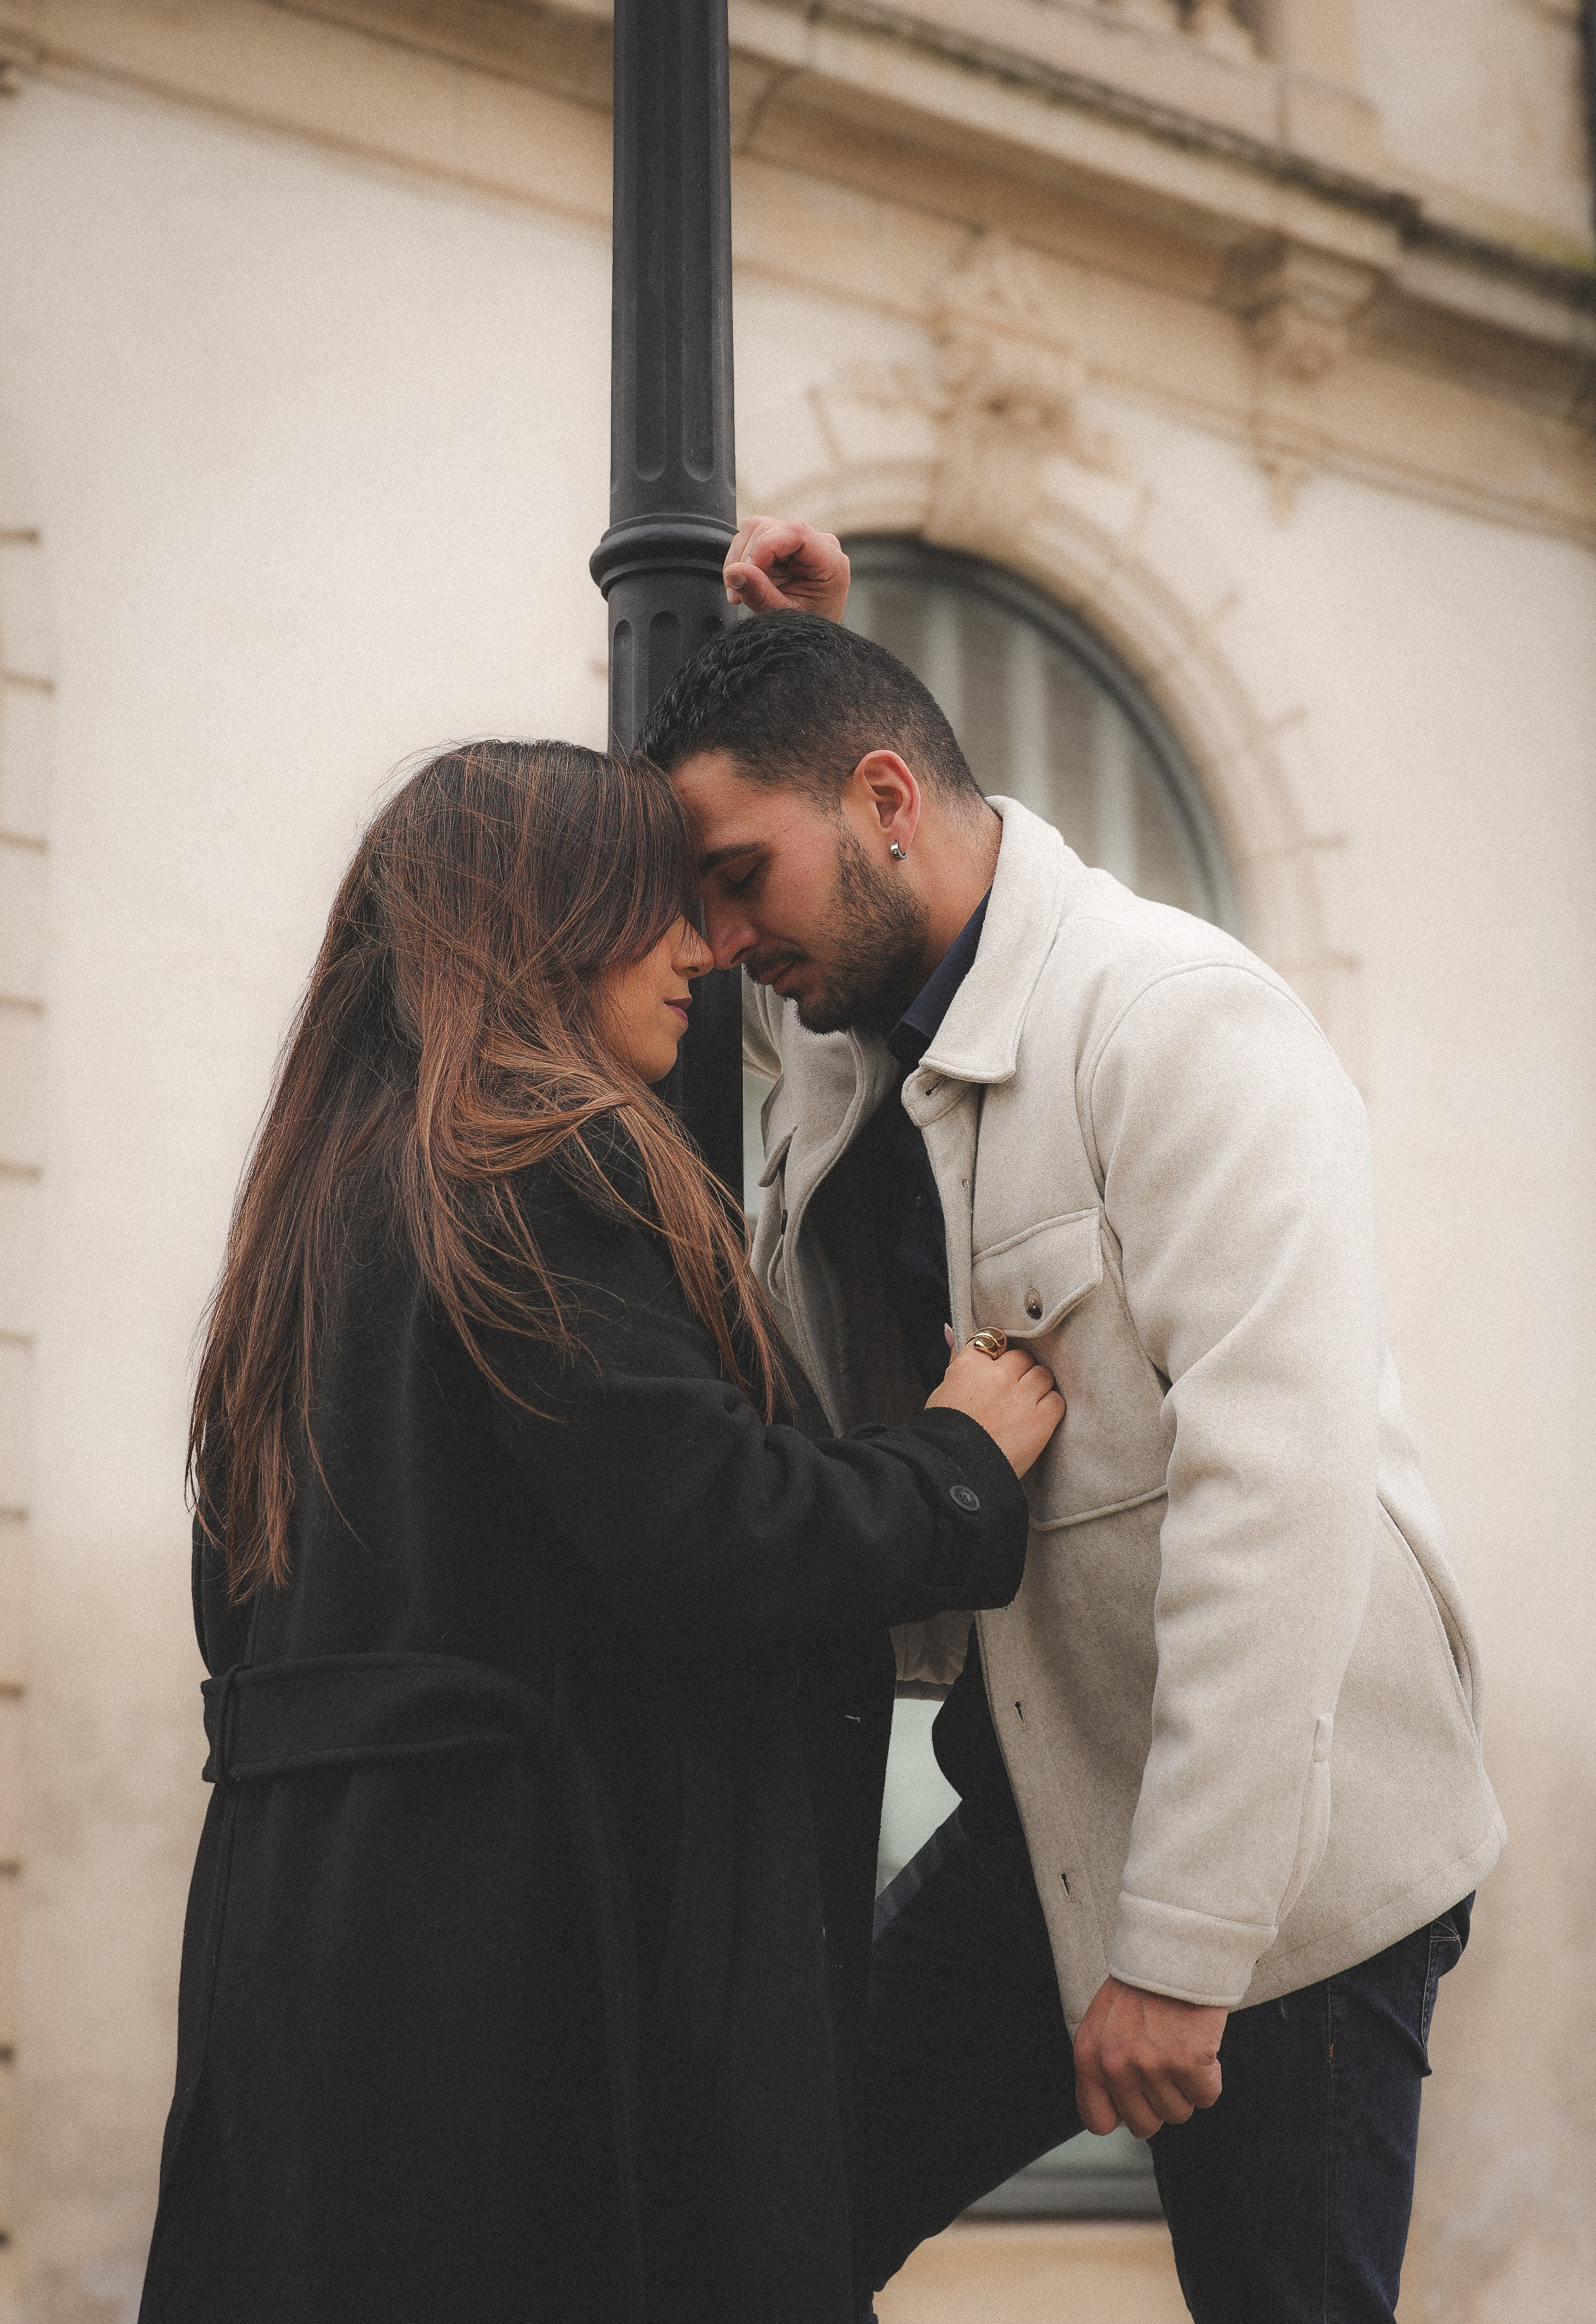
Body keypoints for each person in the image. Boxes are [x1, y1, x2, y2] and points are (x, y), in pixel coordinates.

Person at [639, 522, 1506, 2323]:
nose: (724, 943)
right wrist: (793, 660)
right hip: (1042, 1803)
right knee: (759, 2237)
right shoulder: (870, 1012)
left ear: (888, 800)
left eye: (741, 877)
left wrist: (1182, 1952)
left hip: (1291, 1860)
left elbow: (1276, 1501)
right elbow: (831, 1057)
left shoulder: (1179, 1022)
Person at [137, 739, 1066, 2324]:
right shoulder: (532, 1162)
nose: (702, 949)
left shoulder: (314, 1214)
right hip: (511, 1960)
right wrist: (955, 1466)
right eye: (657, 905)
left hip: (303, 1939)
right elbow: (714, 1529)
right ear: (546, 921)